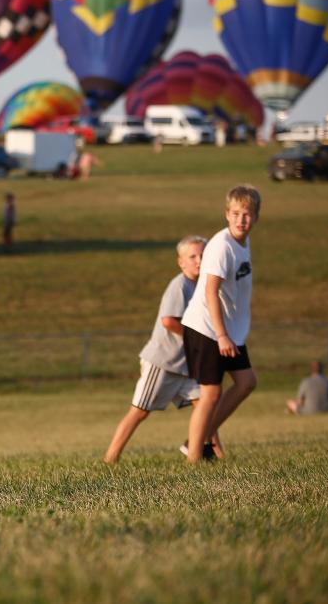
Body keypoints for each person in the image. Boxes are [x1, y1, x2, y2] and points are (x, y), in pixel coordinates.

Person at [104, 236, 223, 463]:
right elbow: (168, 321)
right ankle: (110, 459)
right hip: (163, 363)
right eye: (193, 257)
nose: (199, 261)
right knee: (139, 411)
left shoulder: (203, 286)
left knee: (206, 406)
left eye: (203, 255)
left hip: (186, 365)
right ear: (181, 263)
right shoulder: (180, 285)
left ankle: (216, 455)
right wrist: (198, 339)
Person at [182, 185, 261, 464]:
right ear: (227, 214)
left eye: (247, 214)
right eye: (236, 213)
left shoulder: (243, 242)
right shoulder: (221, 246)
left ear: (256, 217)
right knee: (211, 393)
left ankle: (201, 436)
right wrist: (222, 335)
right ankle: (194, 457)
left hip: (229, 330)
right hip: (207, 328)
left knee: (246, 382)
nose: (242, 219)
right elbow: (209, 291)